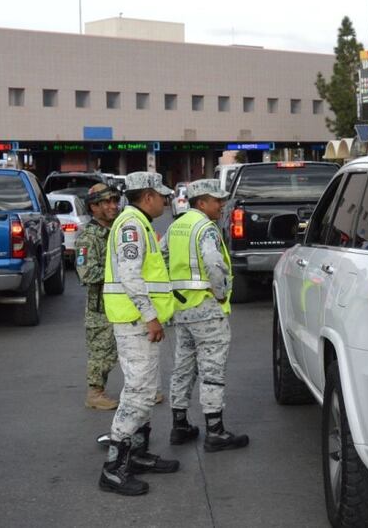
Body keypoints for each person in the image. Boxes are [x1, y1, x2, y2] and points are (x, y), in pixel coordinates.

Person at [98, 172, 179, 497]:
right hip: (135, 322)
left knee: (146, 388)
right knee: (139, 391)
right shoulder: (132, 225)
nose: (166, 201)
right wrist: (150, 317)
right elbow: (131, 276)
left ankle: (138, 453)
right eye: (162, 196)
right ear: (147, 197)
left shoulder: (138, 222)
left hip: (139, 322)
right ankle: (113, 468)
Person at [164, 179, 249, 452]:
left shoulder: (176, 226)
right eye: (217, 201)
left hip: (183, 309)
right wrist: (221, 291)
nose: (221, 205)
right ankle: (215, 430)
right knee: (212, 369)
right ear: (201, 202)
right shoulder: (205, 228)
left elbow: (161, 256)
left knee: (183, 367)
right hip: (207, 309)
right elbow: (213, 263)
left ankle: (179, 425)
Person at [75, 183, 121, 411]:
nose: (114, 206)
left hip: (122, 303)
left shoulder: (118, 230)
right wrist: (121, 272)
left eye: (115, 201)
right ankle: (95, 394)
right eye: (107, 202)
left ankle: (142, 390)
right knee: (101, 353)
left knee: (130, 348)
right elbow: (86, 273)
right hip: (100, 307)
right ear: (94, 207)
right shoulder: (89, 237)